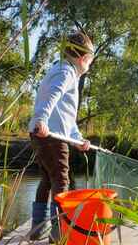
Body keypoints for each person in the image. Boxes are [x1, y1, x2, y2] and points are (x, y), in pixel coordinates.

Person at [28, 32, 93, 242]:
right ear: (84, 58)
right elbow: (52, 96)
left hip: (47, 133)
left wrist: (78, 139)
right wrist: (42, 120)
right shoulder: (67, 72)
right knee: (61, 179)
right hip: (50, 135)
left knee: (48, 179)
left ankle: (38, 230)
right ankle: (60, 233)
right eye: (91, 61)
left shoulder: (60, 69)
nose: (89, 65)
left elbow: (67, 118)